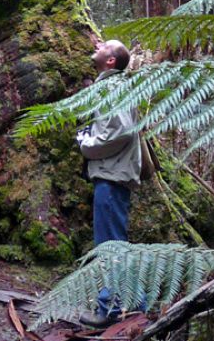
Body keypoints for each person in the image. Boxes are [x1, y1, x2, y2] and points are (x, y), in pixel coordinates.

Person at [75, 39, 143, 328]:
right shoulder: (114, 86)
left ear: (111, 61)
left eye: (105, 46)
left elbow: (120, 132)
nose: (98, 45)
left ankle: (110, 310)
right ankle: (137, 303)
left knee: (109, 247)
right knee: (115, 242)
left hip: (112, 177)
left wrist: (86, 144)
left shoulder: (113, 89)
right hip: (112, 176)